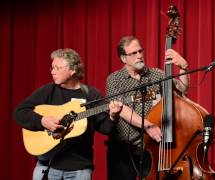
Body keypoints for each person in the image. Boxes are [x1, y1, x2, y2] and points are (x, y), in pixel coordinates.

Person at [14, 48, 124, 180]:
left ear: (72, 70)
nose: (52, 71)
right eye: (52, 67)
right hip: (46, 167)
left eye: (57, 68)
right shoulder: (48, 91)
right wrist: (42, 121)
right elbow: (19, 112)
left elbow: (106, 128)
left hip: (79, 170)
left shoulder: (91, 95)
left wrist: (113, 116)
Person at [105, 35, 190, 180]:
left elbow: (182, 88)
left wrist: (183, 66)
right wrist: (148, 126)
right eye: (133, 53)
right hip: (123, 151)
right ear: (123, 58)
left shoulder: (157, 74)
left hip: (151, 149)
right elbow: (122, 109)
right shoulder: (114, 79)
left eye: (140, 51)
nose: (139, 56)